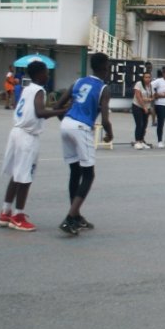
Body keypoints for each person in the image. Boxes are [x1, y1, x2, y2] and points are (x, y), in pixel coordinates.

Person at [0, 61, 68, 231]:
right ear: (38, 75)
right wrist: (62, 111)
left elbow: (36, 109)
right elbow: (40, 112)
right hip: (27, 137)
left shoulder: (27, 88)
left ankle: (5, 211)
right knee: (25, 177)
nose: (48, 76)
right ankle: (18, 215)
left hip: (16, 132)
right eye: (46, 73)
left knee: (16, 174)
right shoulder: (39, 90)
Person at [53, 52, 113, 236]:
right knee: (88, 174)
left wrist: (67, 121)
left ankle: (76, 214)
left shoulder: (78, 82)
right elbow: (104, 118)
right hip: (81, 127)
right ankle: (70, 217)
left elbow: (57, 106)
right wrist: (110, 134)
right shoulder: (104, 88)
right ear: (104, 67)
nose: (109, 69)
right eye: (108, 66)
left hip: (66, 124)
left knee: (75, 171)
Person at [131, 71, 153, 149]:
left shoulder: (151, 86)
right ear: (143, 78)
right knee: (139, 124)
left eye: (149, 77)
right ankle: (137, 141)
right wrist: (144, 106)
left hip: (147, 107)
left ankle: (141, 140)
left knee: (144, 124)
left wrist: (150, 100)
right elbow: (138, 97)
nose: (147, 79)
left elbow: (152, 96)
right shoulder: (138, 84)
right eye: (146, 77)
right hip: (137, 106)